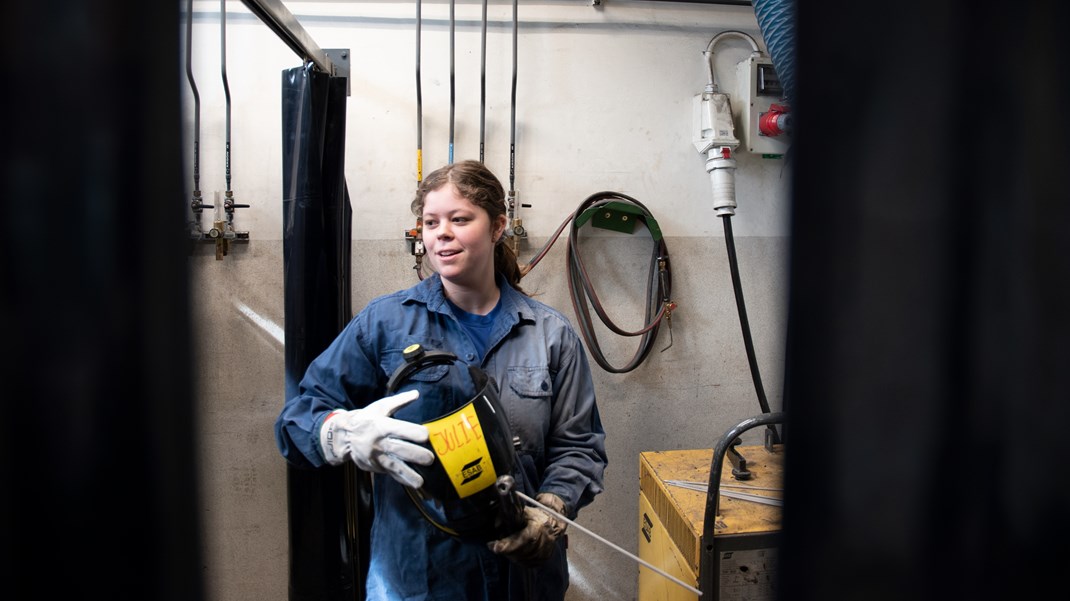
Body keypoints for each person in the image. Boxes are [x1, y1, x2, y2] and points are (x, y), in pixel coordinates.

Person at [275, 159, 608, 600]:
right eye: (431, 222)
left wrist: (551, 509)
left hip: (522, 576)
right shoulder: (386, 324)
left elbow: (579, 445)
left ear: (497, 227)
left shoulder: (550, 334)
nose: (441, 233)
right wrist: (342, 434)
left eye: (460, 219)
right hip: (416, 576)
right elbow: (297, 418)